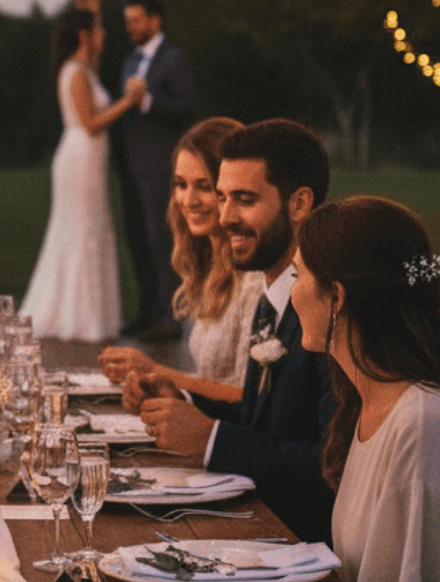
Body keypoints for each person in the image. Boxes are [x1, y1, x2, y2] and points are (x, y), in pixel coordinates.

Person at [136, 118, 335, 545]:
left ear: (299, 204)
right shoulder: (271, 298)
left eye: (243, 200)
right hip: (254, 524)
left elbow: (328, 464)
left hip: (301, 544)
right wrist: (183, 402)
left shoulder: (329, 312)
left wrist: (211, 439)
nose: (224, 217)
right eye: (222, 197)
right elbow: (263, 419)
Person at [294, 197, 440, 582]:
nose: (292, 294)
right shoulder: (363, 404)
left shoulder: (420, 423)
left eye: (297, 276)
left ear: (335, 296)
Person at [100, 116, 264, 404]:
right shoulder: (206, 266)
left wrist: (158, 371)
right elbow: (207, 380)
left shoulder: (255, 280)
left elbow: (251, 398)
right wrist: (157, 387)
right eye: (180, 184)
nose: (189, 200)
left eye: (204, 186)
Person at [20, 9, 147, 341]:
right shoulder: (75, 71)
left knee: (92, 226)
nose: (103, 34)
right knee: (81, 228)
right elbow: (91, 123)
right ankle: (75, 317)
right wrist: (129, 101)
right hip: (80, 156)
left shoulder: (85, 71)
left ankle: (93, 315)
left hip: (89, 159)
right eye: (98, 29)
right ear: (83, 34)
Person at [114, 0, 196, 339]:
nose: (130, 27)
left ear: (155, 20)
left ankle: (172, 316)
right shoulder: (130, 61)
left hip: (163, 164)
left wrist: (146, 100)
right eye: (128, 21)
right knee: (140, 241)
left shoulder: (174, 60)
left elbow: (185, 108)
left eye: (136, 20)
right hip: (133, 165)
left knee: (164, 240)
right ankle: (148, 311)